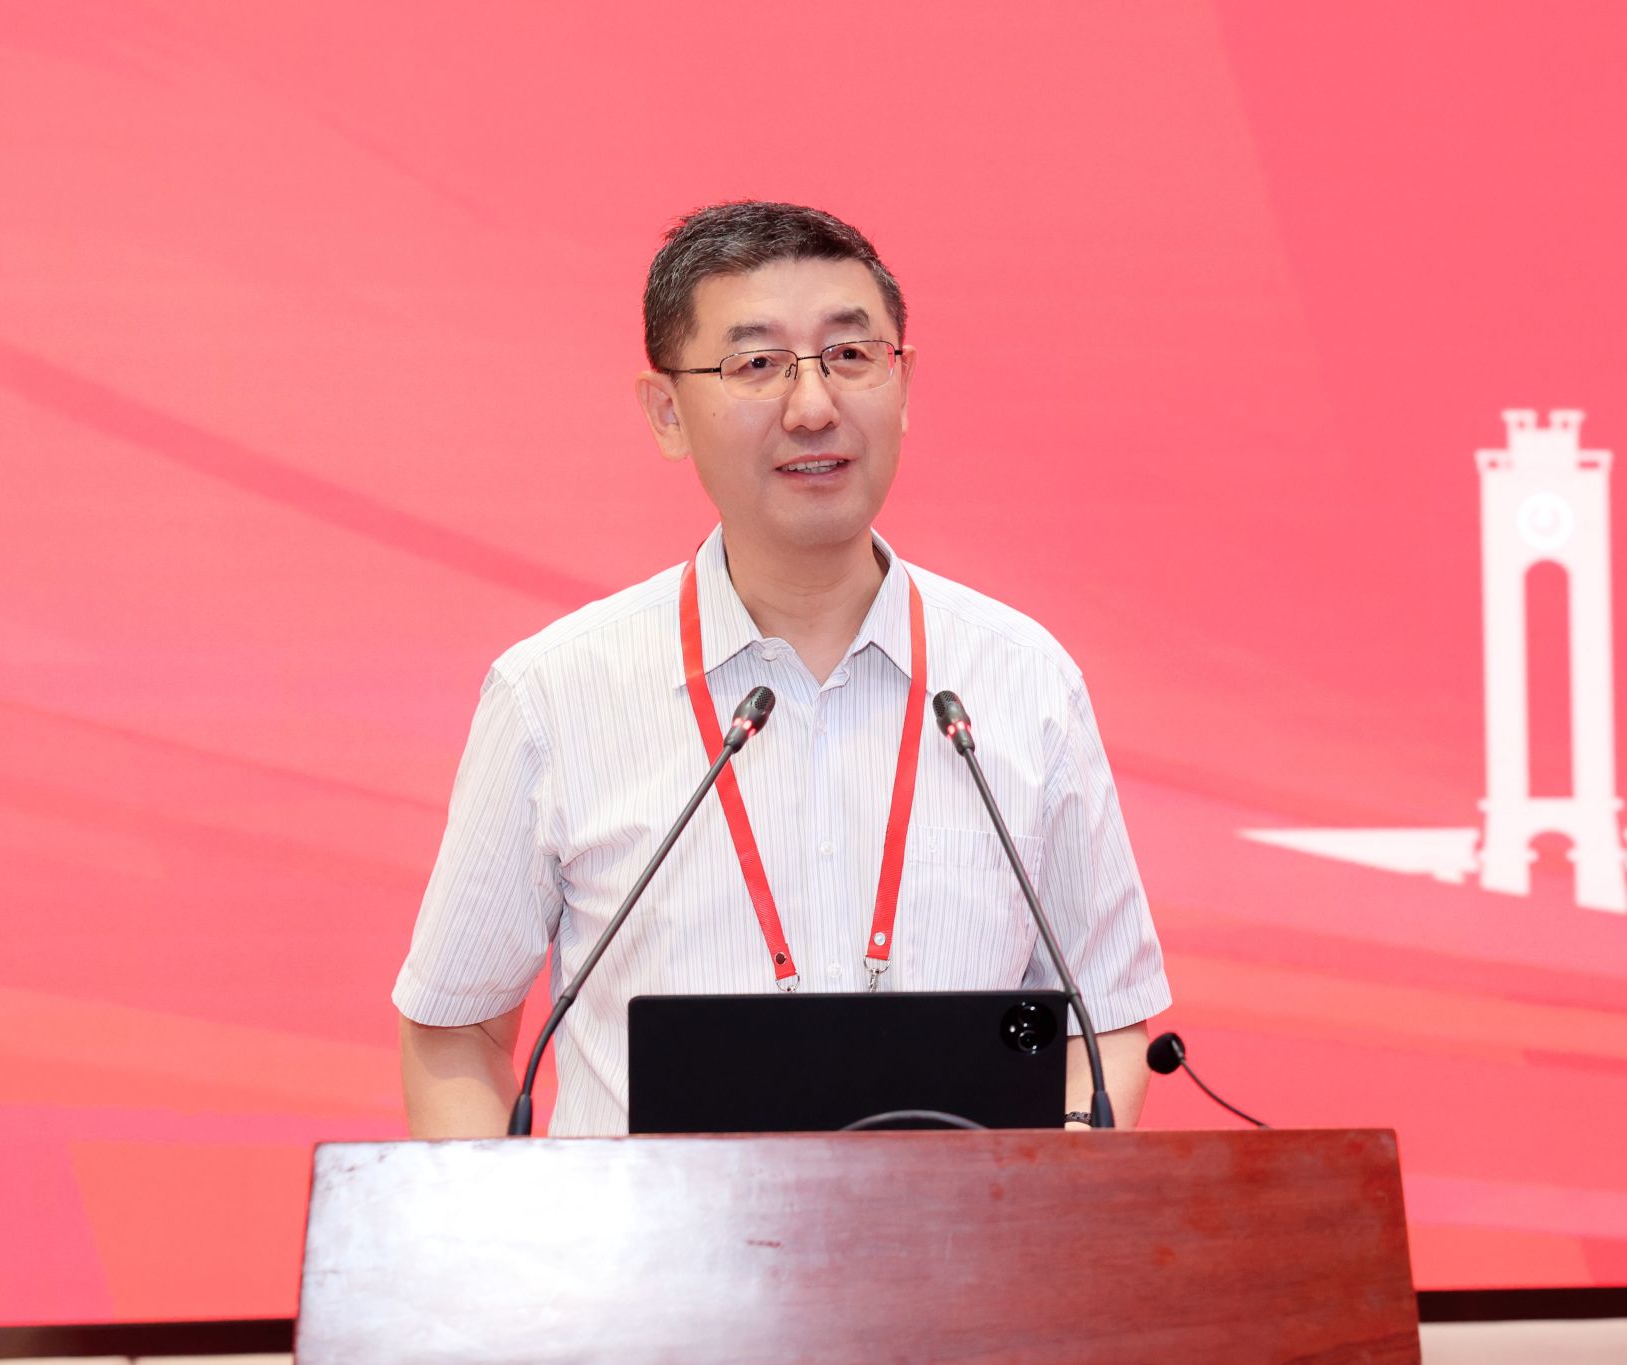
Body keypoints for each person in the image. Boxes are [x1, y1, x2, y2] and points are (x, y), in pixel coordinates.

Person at [395, 201, 1170, 1136]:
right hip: (646, 1237)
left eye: (851, 355)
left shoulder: (1025, 682)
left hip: (963, 1233)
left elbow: (1105, 1023)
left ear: (903, 382)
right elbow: (459, 1032)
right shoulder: (552, 695)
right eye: (757, 364)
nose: (813, 408)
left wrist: (1047, 1196)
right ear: (668, 413)